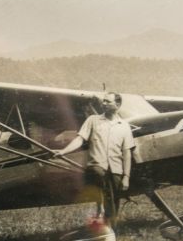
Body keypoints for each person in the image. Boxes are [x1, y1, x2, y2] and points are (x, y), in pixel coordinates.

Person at [54, 92, 135, 227]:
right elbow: (80, 138)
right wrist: (64, 151)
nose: (104, 104)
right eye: (103, 101)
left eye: (108, 102)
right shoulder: (93, 120)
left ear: (118, 104)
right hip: (97, 167)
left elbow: (127, 153)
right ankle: (101, 216)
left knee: (114, 203)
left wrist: (126, 176)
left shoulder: (124, 126)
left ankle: (111, 232)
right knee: (101, 187)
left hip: (116, 169)